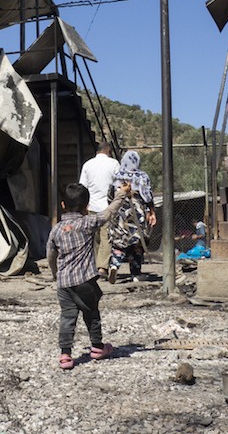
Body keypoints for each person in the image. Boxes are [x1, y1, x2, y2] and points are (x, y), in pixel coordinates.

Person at [47, 181, 130, 370]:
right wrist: (121, 194)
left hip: (64, 284)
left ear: (62, 205)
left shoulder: (57, 229)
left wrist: (55, 273)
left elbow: (51, 255)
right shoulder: (88, 222)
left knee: (67, 317)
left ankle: (65, 355)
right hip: (85, 281)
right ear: (87, 206)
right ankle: (97, 347)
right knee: (92, 314)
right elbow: (109, 212)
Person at [107, 150, 157, 283]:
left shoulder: (116, 176)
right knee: (137, 243)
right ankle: (136, 273)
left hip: (119, 213)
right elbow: (147, 196)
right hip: (137, 214)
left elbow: (110, 196)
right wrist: (151, 212)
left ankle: (114, 265)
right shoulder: (142, 176)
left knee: (119, 243)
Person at [78, 141, 120, 278]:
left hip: (91, 206)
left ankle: (94, 266)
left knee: (93, 238)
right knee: (106, 237)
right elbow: (119, 185)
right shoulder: (114, 164)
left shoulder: (87, 165)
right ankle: (102, 267)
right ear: (108, 151)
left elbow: (82, 187)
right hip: (107, 207)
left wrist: (83, 206)